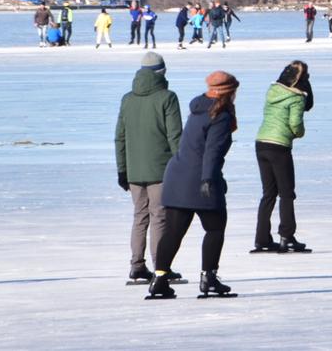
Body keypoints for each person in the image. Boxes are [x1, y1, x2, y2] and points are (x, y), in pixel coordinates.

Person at [147, 71, 240, 299]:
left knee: (173, 232)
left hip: (177, 177)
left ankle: (159, 280)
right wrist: (209, 179)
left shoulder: (198, 108)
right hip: (199, 179)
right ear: (229, 92)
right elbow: (212, 152)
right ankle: (208, 279)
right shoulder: (220, 115)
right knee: (215, 228)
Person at [117, 52, 185, 286]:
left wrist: (122, 170)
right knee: (159, 217)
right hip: (160, 170)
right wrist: (182, 166)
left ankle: (136, 265)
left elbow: (120, 137)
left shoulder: (127, 99)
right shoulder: (168, 97)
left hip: (134, 170)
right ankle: (160, 268)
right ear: (161, 72)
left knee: (140, 217)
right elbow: (175, 136)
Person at [253, 60, 313, 254]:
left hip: (261, 143)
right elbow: (295, 124)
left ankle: (262, 239)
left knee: (268, 193)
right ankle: (286, 236)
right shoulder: (296, 97)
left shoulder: (273, 92)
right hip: (279, 146)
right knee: (286, 193)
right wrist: (299, 133)